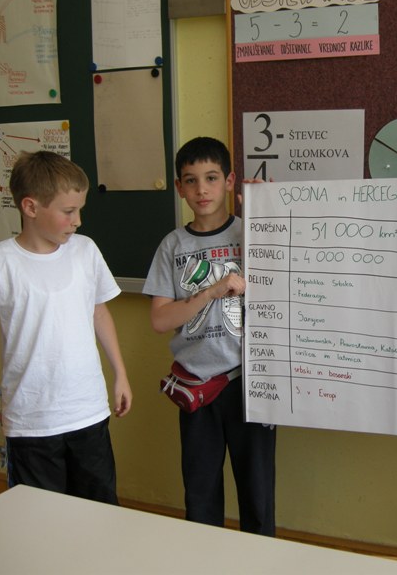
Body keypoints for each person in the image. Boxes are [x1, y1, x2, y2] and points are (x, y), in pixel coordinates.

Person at [0, 150, 132, 504]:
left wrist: (120, 373)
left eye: (79, 210)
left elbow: (99, 312)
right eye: (68, 211)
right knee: (39, 516)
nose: (78, 221)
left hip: (87, 412)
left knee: (99, 512)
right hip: (30, 420)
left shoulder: (85, 251)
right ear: (30, 207)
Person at [143, 136, 276, 534]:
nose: (202, 189)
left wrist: (268, 212)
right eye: (191, 180)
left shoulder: (252, 232)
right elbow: (160, 320)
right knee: (200, 494)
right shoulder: (172, 245)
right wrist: (212, 291)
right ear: (180, 187)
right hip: (198, 385)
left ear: (230, 181)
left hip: (251, 383)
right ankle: (203, 558)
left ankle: (260, 558)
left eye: (212, 178)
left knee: (257, 492)